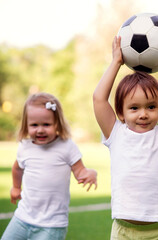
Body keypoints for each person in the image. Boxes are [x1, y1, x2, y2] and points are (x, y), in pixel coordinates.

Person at [93, 35, 158, 239]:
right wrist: (116, 62)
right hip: (124, 230)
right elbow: (99, 99)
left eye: (151, 107)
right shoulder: (116, 134)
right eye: (134, 108)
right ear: (121, 112)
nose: (143, 114)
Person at [1, 92, 97, 240]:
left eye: (46, 124)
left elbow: (80, 171)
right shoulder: (24, 147)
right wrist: (16, 187)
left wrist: (90, 173)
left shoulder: (66, 146)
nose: (40, 130)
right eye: (34, 125)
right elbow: (17, 168)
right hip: (22, 218)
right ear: (26, 125)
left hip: (52, 224)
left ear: (57, 123)